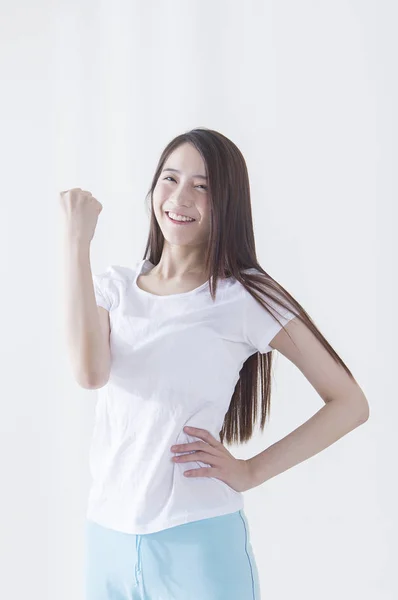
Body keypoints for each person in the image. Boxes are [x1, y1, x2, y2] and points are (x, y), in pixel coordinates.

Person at [60, 127, 369, 600]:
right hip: (108, 538)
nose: (180, 197)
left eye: (202, 186)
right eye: (170, 178)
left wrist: (251, 471)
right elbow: (89, 374)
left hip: (197, 542)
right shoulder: (114, 288)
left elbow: (349, 403)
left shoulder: (242, 296)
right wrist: (76, 242)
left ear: (227, 203)